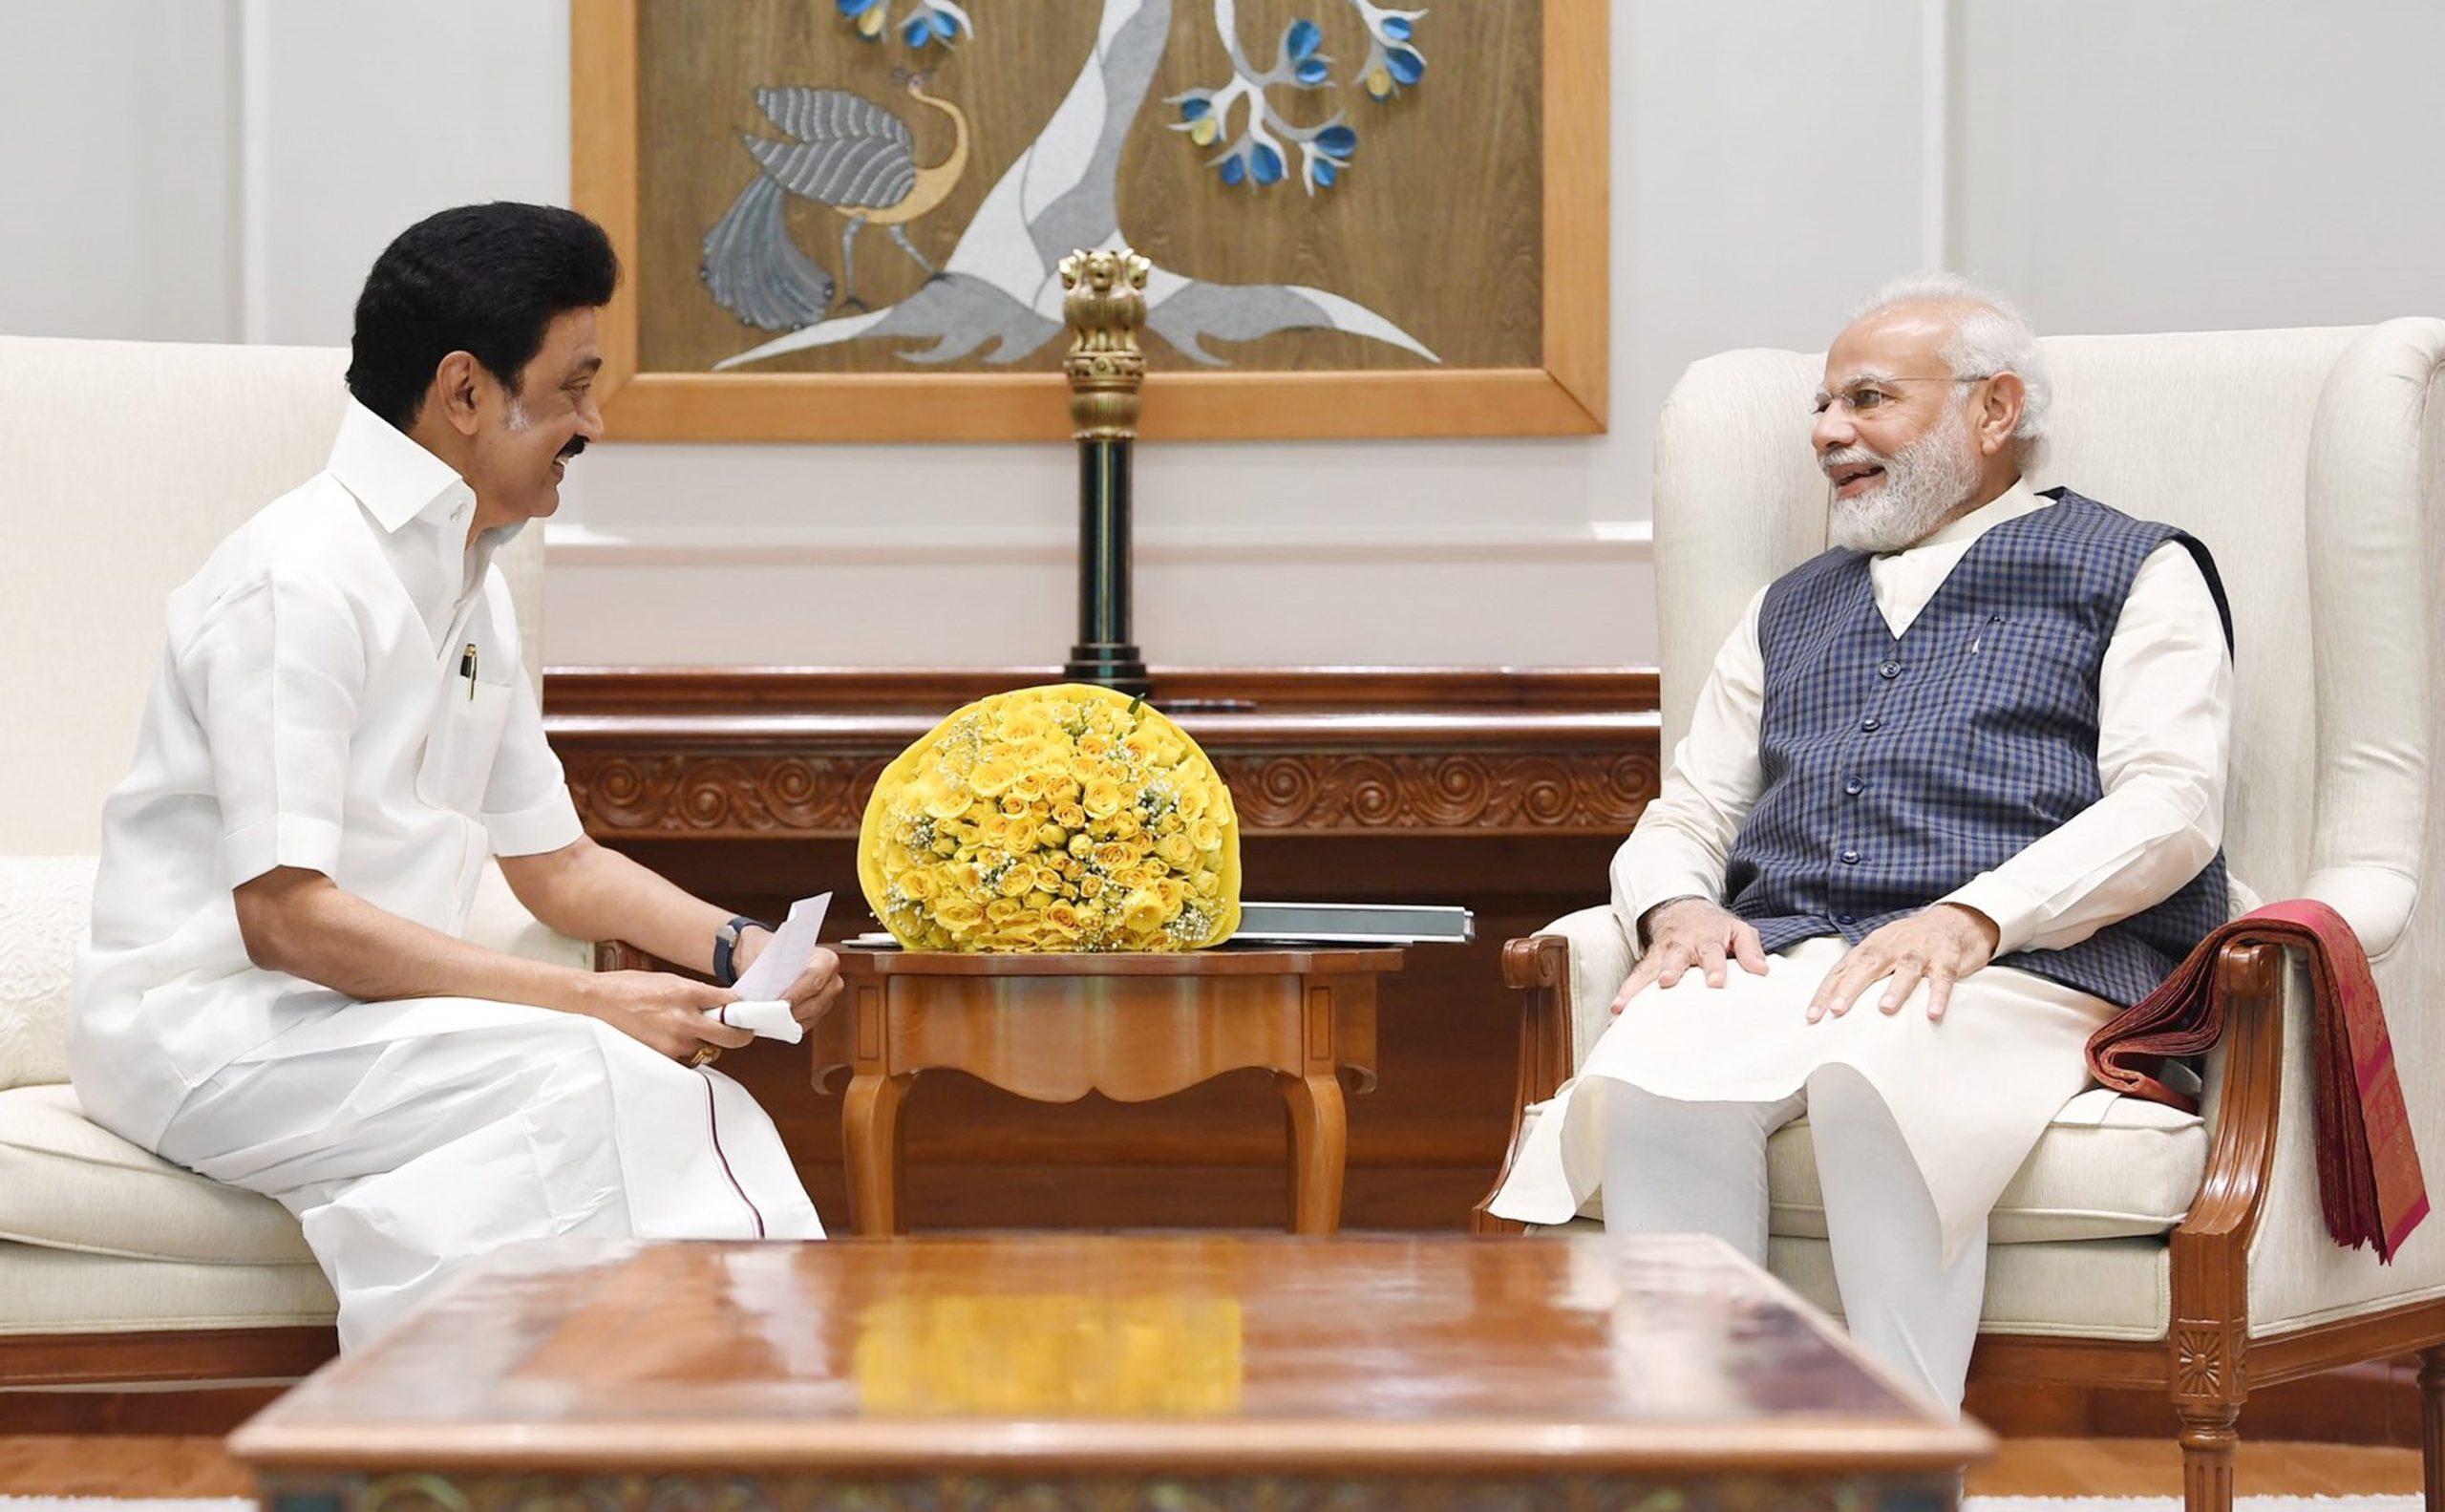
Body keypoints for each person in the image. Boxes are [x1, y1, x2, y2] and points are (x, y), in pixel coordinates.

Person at [70, 202, 840, 1352]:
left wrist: (744, 949)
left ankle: (536, 1435)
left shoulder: (471, 576)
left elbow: (558, 862)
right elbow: (285, 918)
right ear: (466, 392)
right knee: (590, 1073)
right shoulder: (301, 580)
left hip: (361, 1023)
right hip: (214, 1033)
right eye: (574, 385)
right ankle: (714, 1426)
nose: (595, 420)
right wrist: (597, 998)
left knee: (626, 1095)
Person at [1490, 273, 2235, 1413]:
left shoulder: (2133, 566)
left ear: (1992, 411)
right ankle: (1702, 1464)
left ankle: (1897, 1456)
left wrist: (1977, 914)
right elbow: (1687, 811)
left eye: (1868, 398)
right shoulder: (1786, 605)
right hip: (1801, 947)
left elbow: (2172, 802)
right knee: (1654, 1066)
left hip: (2028, 963)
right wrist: (1677, 909)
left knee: (1874, 1068)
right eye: (1822, 405)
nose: (1828, 431)